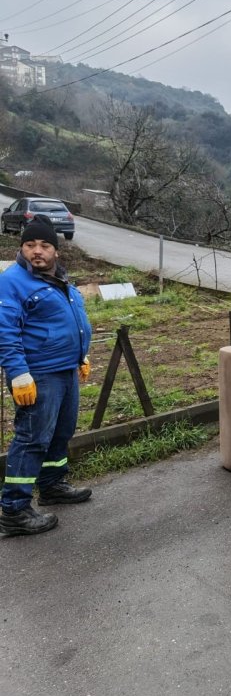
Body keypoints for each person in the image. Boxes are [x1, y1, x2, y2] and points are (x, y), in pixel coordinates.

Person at [0, 216, 93, 536]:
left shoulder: (58, 278)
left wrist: (81, 355)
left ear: (56, 251)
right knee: (32, 439)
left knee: (61, 432)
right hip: (38, 373)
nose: (37, 251)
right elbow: (5, 331)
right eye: (30, 245)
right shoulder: (12, 281)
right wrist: (18, 374)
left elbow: (70, 319)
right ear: (21, 248)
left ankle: (52, 485)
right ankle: (14, 509)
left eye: (44, 245)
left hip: (65, 369)